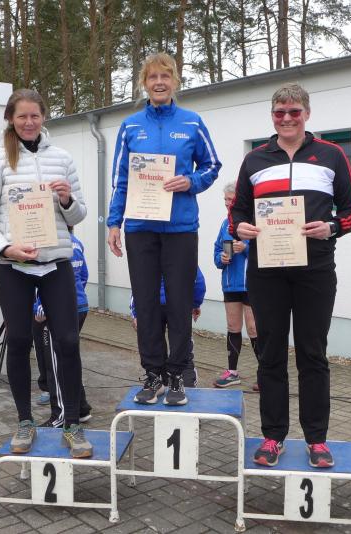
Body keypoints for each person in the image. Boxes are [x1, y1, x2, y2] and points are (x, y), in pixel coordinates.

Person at [229, 83, 351, 468]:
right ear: (272, 116)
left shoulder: (331, 155)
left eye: (294, 112)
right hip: (266, 271)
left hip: (315, 271)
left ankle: (316, 439)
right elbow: (237, 212)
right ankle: (273, 437)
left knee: (312, 353)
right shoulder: (255, 159)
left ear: (307, 114)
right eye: (279, 112)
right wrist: (240, 228)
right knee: (270, 354)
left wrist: (331, 227)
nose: (286, 119)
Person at [0, 89, 91, 458]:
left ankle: (72, 423)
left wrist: (67, 200)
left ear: (43, 117)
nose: (28, 122)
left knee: (67, 342)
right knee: (19, 342)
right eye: (21, 116)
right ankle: (25, 421)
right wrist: (5, 248)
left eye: (35, 115)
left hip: (56, 265)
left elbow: (79, 214)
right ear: (10, 118)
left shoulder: (62, 158)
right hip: (14, 267)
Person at [107, 52, 221, 406]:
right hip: (140, 228)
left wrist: (190, 181)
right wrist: (114, 222)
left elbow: (212, 165)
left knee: (179, 303)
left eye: (165, 76)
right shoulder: (130, 126)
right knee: (145, 304)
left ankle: (177, 376)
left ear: (175, 81)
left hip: (180, 228)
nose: (159, 82)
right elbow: (121, 179)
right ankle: (153, 374)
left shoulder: (192, 122)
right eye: (153, 77)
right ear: (144, 83)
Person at [33, 231, 93, 427]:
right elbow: (84, 275)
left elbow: (44, 278)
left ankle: (60, 414)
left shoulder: (46, 242)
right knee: (70, 358)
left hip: (56, 309)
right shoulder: (75, 242)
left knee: (55, 364)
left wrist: (40, 307)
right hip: (79, 306)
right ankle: (81, 408)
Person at [213, 181, 260, 390]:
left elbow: (265, 251)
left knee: (254, 328)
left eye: (230, 199)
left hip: (251, 284)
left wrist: (246, 248)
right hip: (230, 284)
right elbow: (217, 251)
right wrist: (221, 258)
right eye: (224, 199)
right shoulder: (225, 224)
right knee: (233, 327)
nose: (226, 203)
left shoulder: (253, 222)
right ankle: (232, 373)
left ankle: (265, 373)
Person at [129, 267, 206, 393]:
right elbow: (199, 281)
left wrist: (136, 312)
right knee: (182, 345)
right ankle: (186, 383)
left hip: (152, 304)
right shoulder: (182, 256)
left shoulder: (149, 257)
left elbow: (138, 284)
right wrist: (195, 304)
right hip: (178, 304)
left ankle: (160, 380)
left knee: (155, 345)